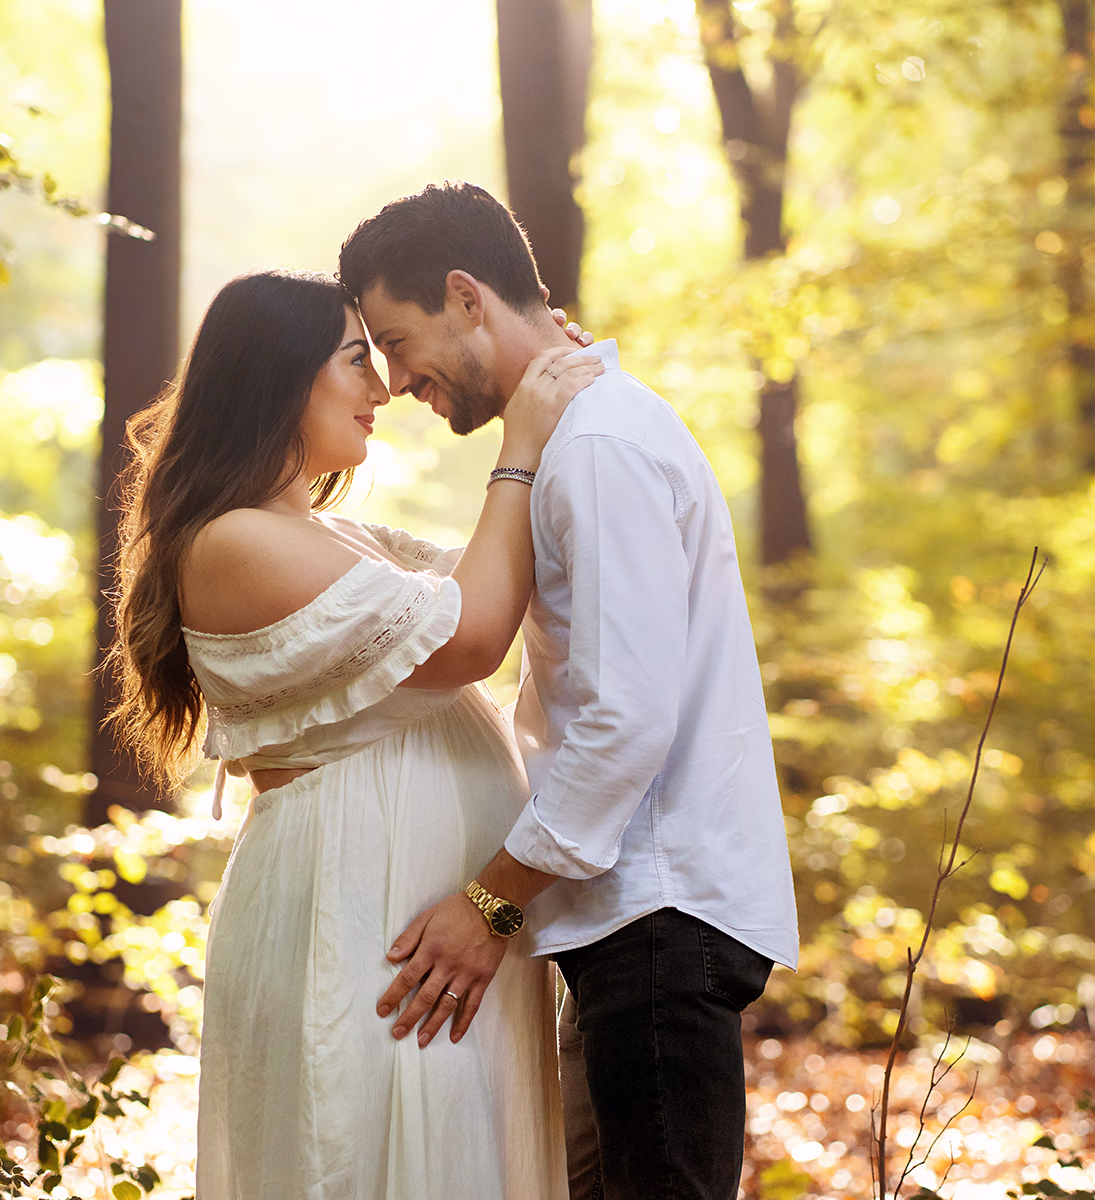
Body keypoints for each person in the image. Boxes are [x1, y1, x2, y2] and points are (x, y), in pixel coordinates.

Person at [339, 183, 800, 1200]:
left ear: (466, 296)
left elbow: (627, 717)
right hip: (625, 922)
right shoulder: (580, 436)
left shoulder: (594, 446)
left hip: (657, 919)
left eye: (397, 339)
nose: (396, 375)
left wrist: (489, 905)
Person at [107, 268, 599, 1200]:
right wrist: (522, 438)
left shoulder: (340, 539)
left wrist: (536, 369)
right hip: (359, 921)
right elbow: (476, 633)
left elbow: (516, 571)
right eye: (354, 361)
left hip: (431, 935)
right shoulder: (234, 542)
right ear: (278, 377)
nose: (381, 390)